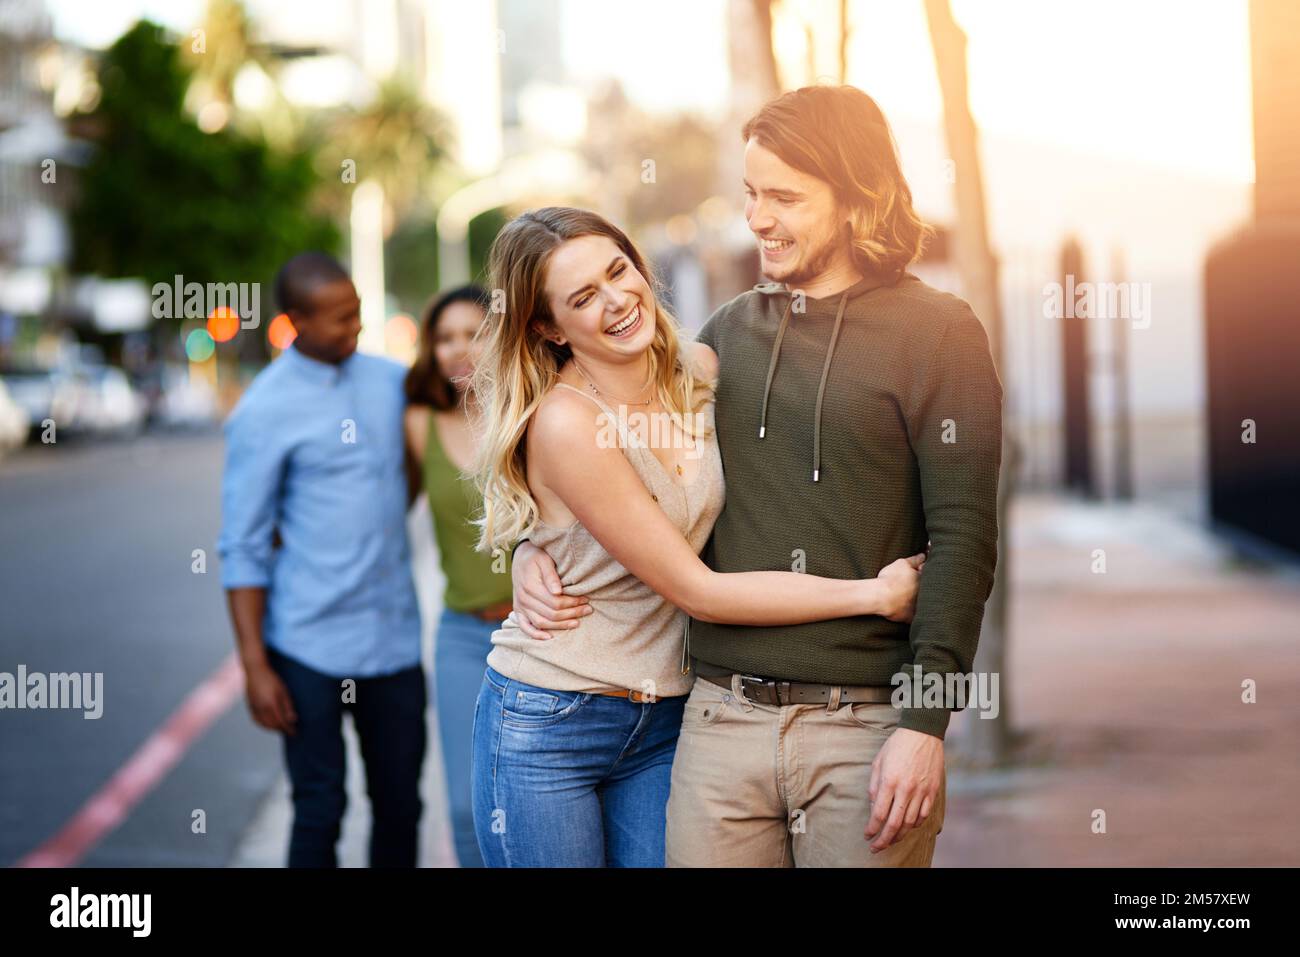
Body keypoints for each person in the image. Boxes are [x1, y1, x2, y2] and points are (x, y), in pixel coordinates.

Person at [512, 85, 1004, 867]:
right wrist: (530, 549)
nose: (758, 216)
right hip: (715, 726)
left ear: (856, 198)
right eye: (750, 193)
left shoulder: (939, 333)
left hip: (867, 725)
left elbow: (966, 540)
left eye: (784, 196)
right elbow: (601, 460)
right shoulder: (724, 337)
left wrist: (924, 725)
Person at [468, 206, 925, 867]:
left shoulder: (701, 373)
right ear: (547, 327)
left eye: (617, 271)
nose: (617, 301)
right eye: (583, 297)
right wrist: (875, 595)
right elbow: (697, 589)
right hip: (550, 721)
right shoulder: (568, 422)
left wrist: (536, 548)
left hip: (665, 718)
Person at [219, 252, 426, 868]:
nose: (355, 326)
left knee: (400, 807)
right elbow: (243, 545)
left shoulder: (392, 382)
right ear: (296, 321)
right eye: (339, 319)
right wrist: (256, 667)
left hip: (394, 643)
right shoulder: (263, 409)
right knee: (319, 806)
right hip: (307, 647)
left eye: (357, 311)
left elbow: (412, 475)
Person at [402, 285, 513, 868]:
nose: (456, 350)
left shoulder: (529, 409)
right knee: (465, 810)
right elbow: (382, 508)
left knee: (522, 806)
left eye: (471, 333)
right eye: (443, 338)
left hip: (539, 635)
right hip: (461, 636)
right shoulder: (419, 423)